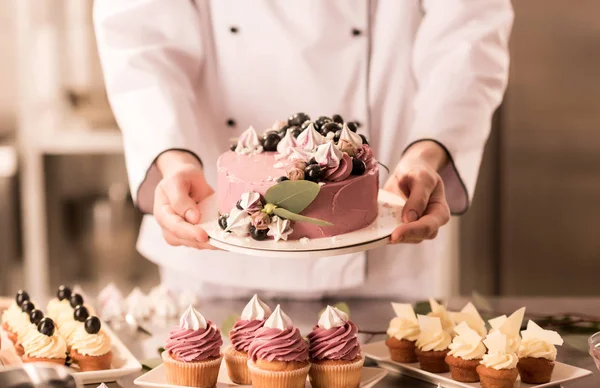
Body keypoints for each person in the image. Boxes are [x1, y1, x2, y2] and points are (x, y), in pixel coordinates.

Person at [94, 0, 513, 300]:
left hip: (384, 245)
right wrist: (173, 157)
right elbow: (139, 33)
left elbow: (468, 29)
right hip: (214, 247)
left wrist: (427, 151)